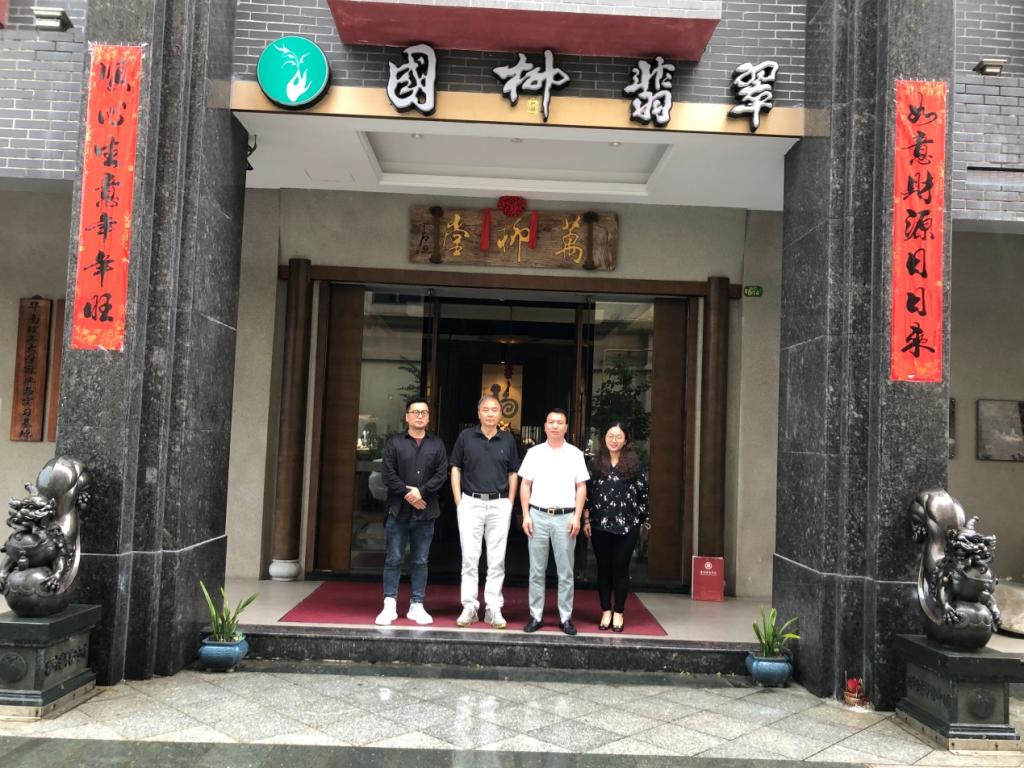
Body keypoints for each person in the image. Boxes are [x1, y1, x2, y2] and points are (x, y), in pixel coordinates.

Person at [375, 399, 448, 626]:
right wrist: (409, 494)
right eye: (415, 412)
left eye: (424, 412)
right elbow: (388, 474)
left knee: (420, 560)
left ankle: (417, 604)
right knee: (393, 558)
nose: (419, 416)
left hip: (426, 513)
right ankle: (389, 604)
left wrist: (421, 492)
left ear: (428, 417)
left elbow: (441, 474)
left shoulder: (437, 445)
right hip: (398, 511)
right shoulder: (394, 443)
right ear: (407, 416)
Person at [450, 395, 520, 628]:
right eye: (486, 409)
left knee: (497, 560)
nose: (490, 413)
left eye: (494, 410)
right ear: (478, 413)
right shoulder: (465, 437)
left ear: (500, 413)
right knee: (469, 559)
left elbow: (513, 472)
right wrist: (459, 501)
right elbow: (455, 468)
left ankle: (493, 608)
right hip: (471, 502)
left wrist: (510, 502)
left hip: (499, 504)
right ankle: (469, 606)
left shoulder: (508, 439)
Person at [518, 408, 589, 635]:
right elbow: (525, 485)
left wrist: (577, 516)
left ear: (566, 427)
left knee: (565, 571)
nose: (555, 426)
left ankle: (566, 617)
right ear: (545, 426)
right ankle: (536, 615)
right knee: (536, 570)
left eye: (560, 422)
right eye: (551, 422)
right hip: (538, 515)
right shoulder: (534, 453)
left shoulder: (575, 454)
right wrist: (525, 514)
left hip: (566, 517)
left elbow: (581, 487)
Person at [583, 422, 649, 633]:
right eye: (610, 436)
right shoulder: (594, 463)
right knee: (604, 568)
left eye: (618, 436)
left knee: (621, 568)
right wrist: (586, 520)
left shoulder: (635, 464)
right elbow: (587, 494)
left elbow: (643, 494)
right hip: (600, 524)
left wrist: (641, 520)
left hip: (627, 526)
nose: (614, 440)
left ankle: (619, 611)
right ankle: (606, 610)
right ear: (604, 438)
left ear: (626, 440)